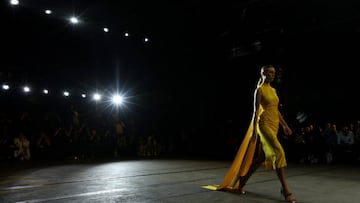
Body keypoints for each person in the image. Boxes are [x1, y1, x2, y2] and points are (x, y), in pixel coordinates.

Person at [204, 65, 297, 202]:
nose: (273, 75)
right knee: (279, 152)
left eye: (274, 73)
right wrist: (254, 130)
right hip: (263, 124)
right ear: (263, 73)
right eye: (270, 72)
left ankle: (242, 181)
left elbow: (276, 110)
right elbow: (255, 112)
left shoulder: (273, 90)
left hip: (274, 125)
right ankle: (286, 190)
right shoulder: (259, 90)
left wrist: (285, 125)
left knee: (260, 159)